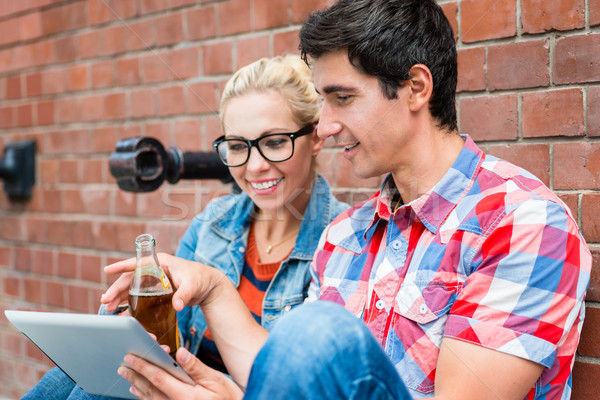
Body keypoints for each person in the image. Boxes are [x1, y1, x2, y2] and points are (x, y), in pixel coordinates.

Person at [96, 0, 591, 399]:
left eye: (343, 99)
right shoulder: (347, 233)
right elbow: (293, 380)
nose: (327, 126)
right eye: (322, 101)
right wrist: (213, 291)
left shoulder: (523, 221)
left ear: (415, 87)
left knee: (316, 333)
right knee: (105, 374)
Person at [21, 54, 348, 399]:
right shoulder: (214, 223)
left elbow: (303, 385)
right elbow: (168, 330)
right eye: (237, 147)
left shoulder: (342, 243)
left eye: (275, 142)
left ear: (316, 138)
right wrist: (129, 324)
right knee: (78, 376)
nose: (255, 166)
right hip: (178, 384)